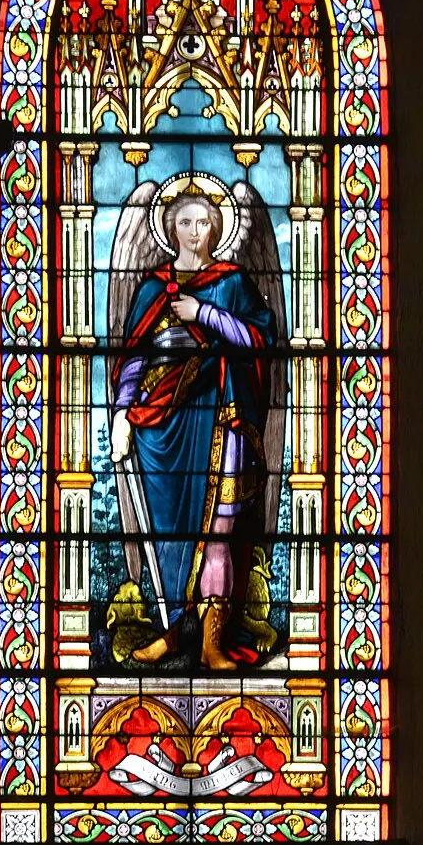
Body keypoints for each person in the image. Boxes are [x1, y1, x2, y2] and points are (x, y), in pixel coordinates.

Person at [108, 194, 275, 669]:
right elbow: (136, 357)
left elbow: (259, 340)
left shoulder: (234, 283)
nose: (196, 230)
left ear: (218, 228)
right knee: (170, 534)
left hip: (221, 416)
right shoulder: (151, 288)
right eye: (186, 221)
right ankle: (172, 633)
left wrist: (203, 314)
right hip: (163, 427)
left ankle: (212, 642)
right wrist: (123, 413)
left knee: (218, 531)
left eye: (205, 221)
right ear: (171, 228)